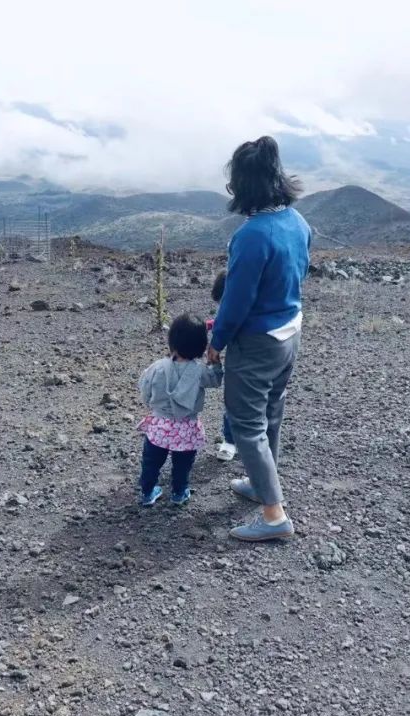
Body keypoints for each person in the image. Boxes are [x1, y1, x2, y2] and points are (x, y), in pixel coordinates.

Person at [207, 136, 311, 542]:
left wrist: (217, 340)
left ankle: (273, 516)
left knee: (246, 421)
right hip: (290, 333)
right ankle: (261, 483)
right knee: (271, 414)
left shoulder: (252, 235)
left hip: (258, 341)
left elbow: (236, 298)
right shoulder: (298, 222)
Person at [137, 313, 224, 507]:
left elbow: (144, 387)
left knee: (151, 462)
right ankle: (178, 492)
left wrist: (152, 404)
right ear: (201, 346)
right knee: (182, 465)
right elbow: (216, 381)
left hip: (159, 425)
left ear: (172, 341)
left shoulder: (157, 367)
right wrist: (216, 364)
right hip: (187, 427)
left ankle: (147, 492)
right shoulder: (200, 371)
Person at [206, 270, 237, 462]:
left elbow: (228, 323)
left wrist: (215, 345)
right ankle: (234, 440)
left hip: (243, 359)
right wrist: (211, 324)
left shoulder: (239, 306)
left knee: (233, 399)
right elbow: (224, 321)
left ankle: (231, 441)